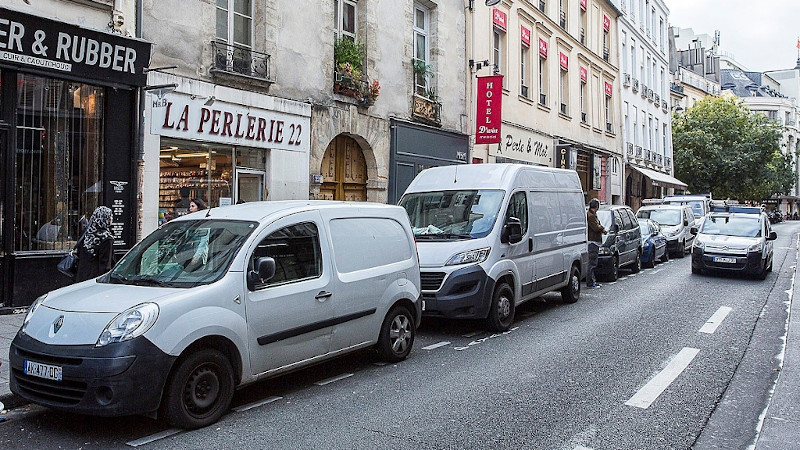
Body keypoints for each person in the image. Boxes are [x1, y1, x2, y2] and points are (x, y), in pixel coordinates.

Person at [75, 206, 115, 282]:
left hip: (81, 276)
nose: (112, 218)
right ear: (105, 218)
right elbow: (105, 264)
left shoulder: (87, 234)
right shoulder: (106, 238)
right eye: (110, 216)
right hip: (95, 279)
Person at [586, 198, 607, 289]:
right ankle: (590, 282)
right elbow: (595, 227)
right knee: (592, 263)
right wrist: (603, 229)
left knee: (593, 263)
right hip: (592, 242)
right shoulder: (590, 216)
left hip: (594, 241)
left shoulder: (593, 214)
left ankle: (592, 281)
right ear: (596, 206)